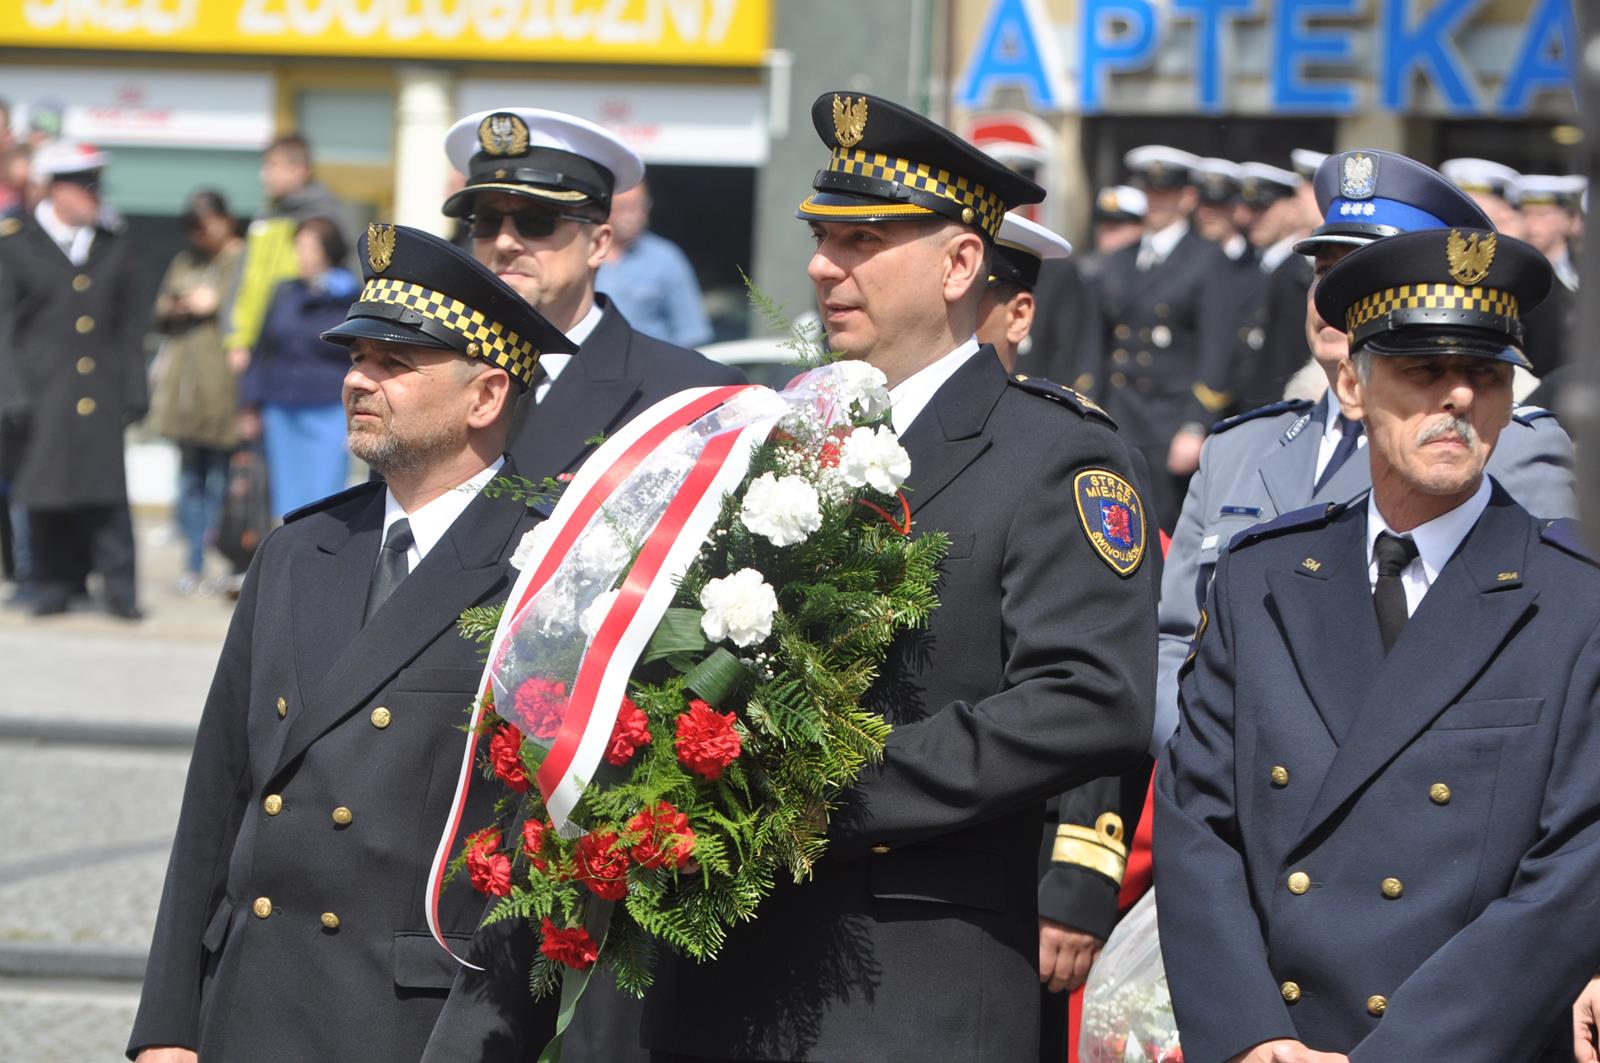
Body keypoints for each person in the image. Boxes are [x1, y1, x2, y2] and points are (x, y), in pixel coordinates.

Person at [637, 90, 1156, 1063]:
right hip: (726, 976)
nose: (822, 266)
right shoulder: (778, 435)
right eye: (822, 238)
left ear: (960, 265)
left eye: (862, 240)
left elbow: (1090, 699)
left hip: (913, 979)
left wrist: (827, 791)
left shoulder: (1053, 455)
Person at [126, 223, 577, 1063]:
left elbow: (547, 856)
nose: (358, 380)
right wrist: (166, 1027)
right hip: (250, 1005)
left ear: (485, 396)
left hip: (408, 1023)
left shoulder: (553, 564)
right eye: (357, 357)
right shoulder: (299, 550)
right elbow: (217, 794)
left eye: (394, 363)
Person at [1156, 225, 1600, 1063]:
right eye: (1425, 369)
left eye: (1484, 373)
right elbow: (1197, 819)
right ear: (1354, 385)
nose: (1458, 397)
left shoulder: (1574, 599)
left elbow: (1576, 867)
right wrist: (1251, 1033)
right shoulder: (1262, 577)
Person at [1151, 148, 1578, 752]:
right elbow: (1174, 641)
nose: (1331, 297)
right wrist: (1206, 759)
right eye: (1324, 272)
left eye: (1360, 276)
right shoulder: (1238, 448)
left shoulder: (1495, 444)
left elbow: (1546, 656)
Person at [439, 108, 742, 489]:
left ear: (598, 244)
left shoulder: (690, 394)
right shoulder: (430, 374)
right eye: (485, 221)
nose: (503, 242)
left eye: (536, 221)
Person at [0, 142, 146, 619]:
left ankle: (120, 589)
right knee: (47, 492)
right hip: (41, 391)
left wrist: (135, 389)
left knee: (106, 493)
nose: (95, 197)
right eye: (87, 188)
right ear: (57, 190)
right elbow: (4, 327)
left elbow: (128, 326)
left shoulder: (112, 243)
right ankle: (53, 585)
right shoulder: (15, 244)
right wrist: (10, 393)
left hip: (100, 389)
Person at [1090, 145, 1235, 533]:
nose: (1155, 203)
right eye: (1150, 193)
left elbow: (1216, 349)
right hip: (1119, 413)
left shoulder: (1207, 259)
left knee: (1161, 532)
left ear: (1187, 198)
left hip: (1169, 419)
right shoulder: (1120, 259)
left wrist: (1195, 424)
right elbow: (1098, 344)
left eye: (1165, 194)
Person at [146, 190, 247, 592]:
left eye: (203, 226)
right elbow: (158, 309)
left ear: (225, 220)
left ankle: (222, 561)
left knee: (222, 482)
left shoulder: (242, 259)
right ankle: (192, 563)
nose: (198, 236)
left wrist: (216, 302)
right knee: (189, 480)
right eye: (192, 228)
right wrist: (177, 305)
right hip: (184, 392)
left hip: (225, 392)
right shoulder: (186, 260)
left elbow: (251, 313)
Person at [239, 216, 360, 517]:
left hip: (329, 408)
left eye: (309, 247)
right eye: (299, 247)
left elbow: (360, 355)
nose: (301, 255)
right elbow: (262, 349)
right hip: (281, 407)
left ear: (328, 251)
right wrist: (250, 403)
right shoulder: (285, 291)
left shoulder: (350, 296)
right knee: (286, 496)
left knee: (326, 495)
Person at [225, 133, 348, 374]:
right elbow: (241, 283)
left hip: (303, 353)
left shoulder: (325, 218)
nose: (264, 175)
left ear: (299, 170)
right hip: (255, 353)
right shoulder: (264, 218)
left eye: (272, 166)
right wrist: (237, 339)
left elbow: (341, 283)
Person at [596, 180, 715, 348]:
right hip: (590, 361)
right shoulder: (582, 254)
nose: (633, 216)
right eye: (623, 207)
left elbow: (691, 333)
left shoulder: (666, 258)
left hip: (648, 362)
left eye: (639, 206)